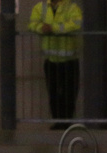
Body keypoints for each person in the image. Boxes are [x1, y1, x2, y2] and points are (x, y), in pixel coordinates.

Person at [28, 0, 83, 130]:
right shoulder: (40, 7)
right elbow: (32, 24)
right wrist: (41, 28)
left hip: (69, 59)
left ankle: (66, 122)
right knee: (53, 92)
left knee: (69, 93)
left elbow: (76, 24)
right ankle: (58, 121)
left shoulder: (71, 6)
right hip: (51, 60)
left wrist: (53, 28)